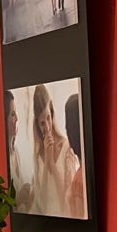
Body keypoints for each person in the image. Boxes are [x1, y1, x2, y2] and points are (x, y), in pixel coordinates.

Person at [30, 83, 85, 218]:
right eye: (42, 123)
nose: (47, 127)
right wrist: (46, 162)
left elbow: (67, 200)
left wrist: (52, 166)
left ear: (52, 113)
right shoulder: (37, 155)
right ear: (37, 124)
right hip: (46, 219)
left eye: (48, 118)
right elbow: (41, 204)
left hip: (65, 217)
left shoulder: (66, 146)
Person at [4, 90, 33, 212]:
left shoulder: (16, 153)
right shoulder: (1, 158)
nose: (17, 118)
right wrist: (19, 199)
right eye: (12, 114)